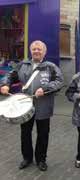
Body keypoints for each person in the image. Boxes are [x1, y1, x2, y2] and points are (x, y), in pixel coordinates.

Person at [0, 40, 64, 171]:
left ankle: (41, 159)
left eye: (39, 49)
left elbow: (59, 81)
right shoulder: (23, 64)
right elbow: (10, 75)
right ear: (31, 51)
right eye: (34, 49)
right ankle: (27, 158)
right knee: (25, 133)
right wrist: (5, 84)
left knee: (43, 134)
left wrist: (45, 89)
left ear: (44, 52)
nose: (36, 51)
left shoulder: (50, 66)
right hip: (24, 107)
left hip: (44, 106)